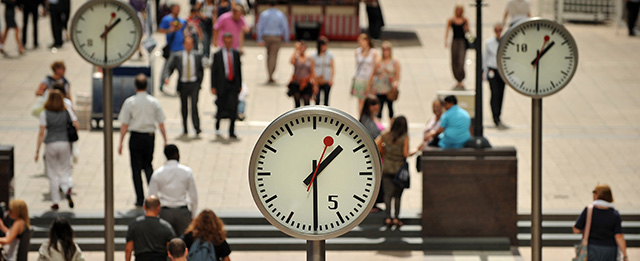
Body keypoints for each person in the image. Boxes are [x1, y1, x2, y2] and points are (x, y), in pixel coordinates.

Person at [118, 74, 168, 207]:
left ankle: (139, 198)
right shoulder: (153, 102)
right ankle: (152, 195)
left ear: (135, 86)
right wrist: (165, 139)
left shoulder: (130, 102)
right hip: (149, 137)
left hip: (135, 137)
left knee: (136, 169)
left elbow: (124, 124)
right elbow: (161, 123)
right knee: (148, 166)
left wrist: (121, 142)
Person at [35, 90, 78, 210]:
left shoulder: (45, 113)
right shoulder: (66, 112)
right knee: (65, 168)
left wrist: (38, 150)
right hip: (64, 142)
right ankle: (67, 187)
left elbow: (41, 132)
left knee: (52, 172)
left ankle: (55, 201)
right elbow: (75, 125)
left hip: (51, 143)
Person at [375, 116, 417, 227]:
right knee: (397, 195)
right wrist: (415, 151)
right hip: (399, 170)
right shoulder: (404, 137)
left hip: (387, 168)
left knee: (387, 194)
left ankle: (388, 217)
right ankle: (396, 218)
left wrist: (385, 154)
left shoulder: (386, 135)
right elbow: (405, 154)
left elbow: (376, 147)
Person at [148, 144, 198, 236]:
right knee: (184, 243)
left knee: (165, 241)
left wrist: (153, 215)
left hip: (165, 212)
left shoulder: (158, 173)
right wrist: (193, 214)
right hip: (182, 211)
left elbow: (151, 196)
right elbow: (193, 196)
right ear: (177, 154)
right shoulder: (187, 171)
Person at [573, 185, 629, 261]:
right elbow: (619, 236)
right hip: (610, 250)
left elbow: (576, 230)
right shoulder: (614, 214)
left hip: (592, 248)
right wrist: (625, 255)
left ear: (597, 195)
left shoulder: (589, 210)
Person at [163, 37, 204, 135]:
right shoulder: (178, 56)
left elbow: (201, 71)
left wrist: (199, 83)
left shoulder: (197, 55)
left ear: (193, 45)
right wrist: (167, 77)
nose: (189, 46)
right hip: (183, 85)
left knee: (194, 106)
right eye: (187, 44)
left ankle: (196, 127)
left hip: (194, 84)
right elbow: (170, 67)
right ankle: (185, 128)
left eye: (190, 44)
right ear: (184, 45)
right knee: (184, 107)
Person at [125, 196, 176, 261]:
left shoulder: (134, 225)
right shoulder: (166, 226)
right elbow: (172, 249)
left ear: (145, 207)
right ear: (158, 208)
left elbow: (128, 249)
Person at [211, 32, 242, 139]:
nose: (228, 44)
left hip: (233, 84)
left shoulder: (236, 54)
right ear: (223, 42)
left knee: (233, 108)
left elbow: (238, 70)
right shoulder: (217, 55)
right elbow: (213, 71)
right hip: (222, 84)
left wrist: (240, 84)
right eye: (226, 42)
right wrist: (213, 86)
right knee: (221, 106)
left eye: (230, 42)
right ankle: (218, 121)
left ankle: (231, 130)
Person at [256, 3, 289, 84]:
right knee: (273, 56)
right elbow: (285, 27)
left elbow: (259, 26)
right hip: (276, 37)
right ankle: (271, 74)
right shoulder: (280, 14)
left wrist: (259, 39)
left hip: (266, 36)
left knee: (269, 56)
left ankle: (270, 74)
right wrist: (286, 39)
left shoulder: (264, 14)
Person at [367, 41, 400, 120]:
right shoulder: (379, 60)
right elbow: (373, 73)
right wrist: (369, 86)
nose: (385, 51)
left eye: (387, 49)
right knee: (379, 107)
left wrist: (396, 83)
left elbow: (398, 75)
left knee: (390, 107)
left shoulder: (394, 61)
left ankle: (391, 125)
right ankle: (379, 126)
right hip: (379, 88)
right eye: (384, 49)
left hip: (389, 87)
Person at [483, 23, 507, 129]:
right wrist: (484, 72)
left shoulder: (505, 41)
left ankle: (498, 114)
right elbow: (486, 57)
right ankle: (495, 116)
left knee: (501, 94)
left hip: (502, 71)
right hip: (492, 70)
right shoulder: (489, 43)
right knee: (494, 93)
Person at [158, 4, 187, 93]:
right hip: (171, 49)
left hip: (181, 48)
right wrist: (169, 30)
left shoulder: (182, 21)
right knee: (167, 68)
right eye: (175, 9)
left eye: (178, 9)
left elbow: (185, 32)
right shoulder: (166, 19)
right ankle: (161, 84)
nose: (177, 11)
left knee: (181, 70)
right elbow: (160, 30)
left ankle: (180, 88)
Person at [444, 4, 469, 90]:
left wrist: (466, 28)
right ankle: (457, 78)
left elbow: (468, 31)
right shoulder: (451, 20)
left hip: (462, 41)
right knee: (454, 60)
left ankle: (461, 78)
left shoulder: (465, 20)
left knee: (461, 61)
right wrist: (446, 41)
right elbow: (447, 30)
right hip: (455, 41)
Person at [352, 33, 378, 112]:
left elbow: (375, 67)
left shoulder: (373, 52)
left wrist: (371, 81)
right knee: (360, 100)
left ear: (367, 41)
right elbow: (357, 65)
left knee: (369, 100)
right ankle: (361, 117)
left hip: (369, 78)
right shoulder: (357, 51)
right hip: (360, 77)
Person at [288, 41, 316, 108]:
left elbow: (312, 71)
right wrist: (296, 50)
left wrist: (315, 84)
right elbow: (291, 62)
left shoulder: (309, 58)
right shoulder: (296, 58)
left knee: (307, 102)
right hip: (297, 82)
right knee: (297, 102)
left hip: (306, 82)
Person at [311, 36, 334, 106]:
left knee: (326, 100)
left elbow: (332, 67)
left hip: (326, 79)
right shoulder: (314, 55)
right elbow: (312, 68)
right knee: (317, 100)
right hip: (317, 80)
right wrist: (314, 81)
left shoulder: (329, 55)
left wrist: (331, 79)